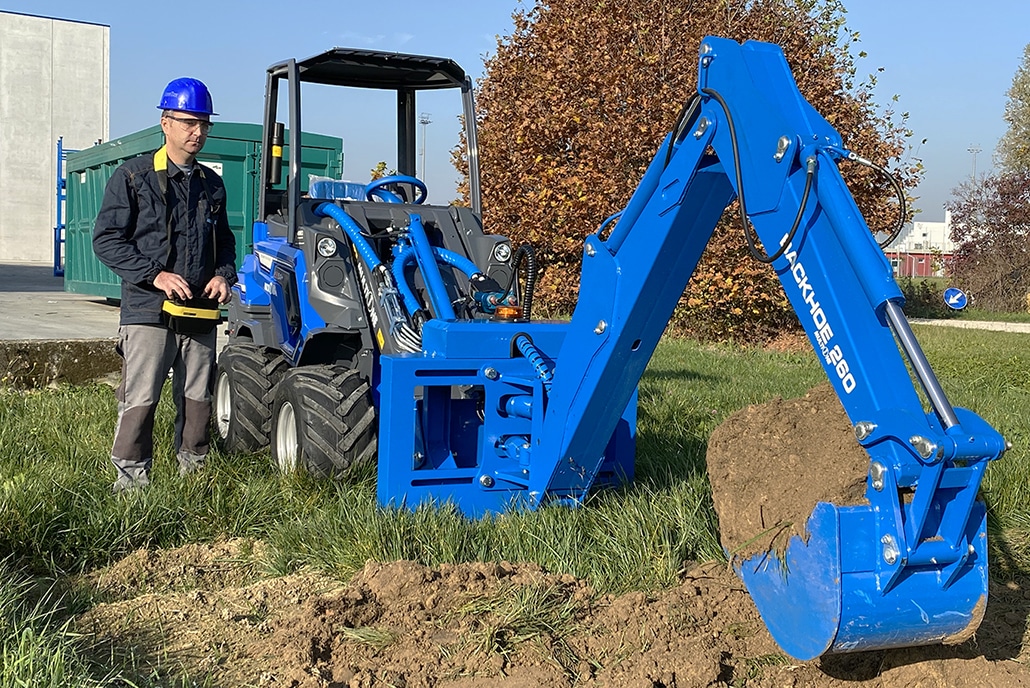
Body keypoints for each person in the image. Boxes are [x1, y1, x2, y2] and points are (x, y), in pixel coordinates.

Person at [93, 77, 237, 492]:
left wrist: (223, 276)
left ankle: (194, 479)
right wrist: (154, 275)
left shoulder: (212, 185)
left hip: (198, 311)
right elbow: (106, 240)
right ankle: (132, 486)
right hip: (147, 311)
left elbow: (224, 241)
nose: (198, 132)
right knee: (140, 399)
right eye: (189, 122)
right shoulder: (134, 177)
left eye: (204, 124)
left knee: (197, 400)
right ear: (165, 122)